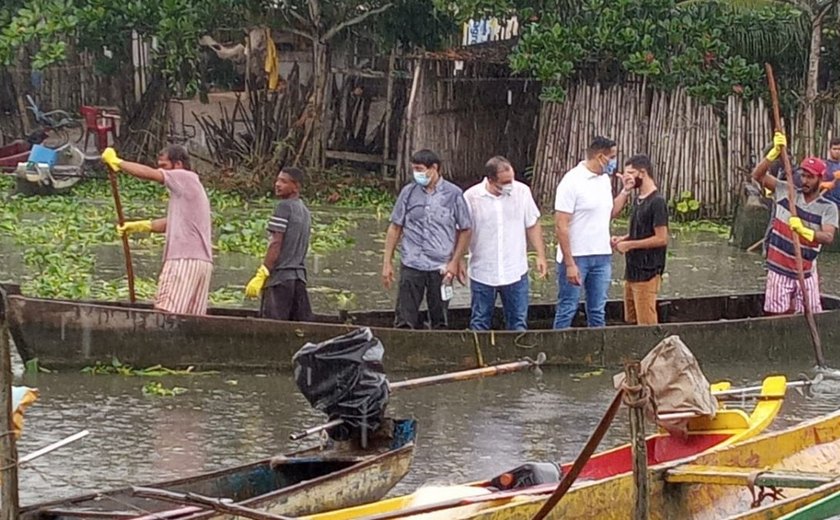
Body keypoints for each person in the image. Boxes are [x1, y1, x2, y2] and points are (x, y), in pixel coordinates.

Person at [101, 145, 213, 315]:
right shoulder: (189, 189)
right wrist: (139, 226)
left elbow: (150, 174)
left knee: (164, 314)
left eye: (164, 166)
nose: (161, 170)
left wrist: (118, 162)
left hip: (183, 260)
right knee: (189, 319)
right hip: (201, 263)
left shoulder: (185, 177)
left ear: (178, 165)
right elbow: (173, 223)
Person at [382, 149, 472, 329]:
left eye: (420, 169)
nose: (417, 174)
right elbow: (395, 227)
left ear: (434, 168)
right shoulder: (408, 192)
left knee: (440, 317)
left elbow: (465, 230)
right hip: (412, 262)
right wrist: (387, 262)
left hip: (441, 266)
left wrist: (456, 260)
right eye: (414, 169)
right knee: (404, 318)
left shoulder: (453, 194)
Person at [752, 132, 838, 315]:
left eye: (810, 177)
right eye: (804, 176)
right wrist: (772, 155)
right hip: (779, 270)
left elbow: (828, 237)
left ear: (820, 179)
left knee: (812, 315)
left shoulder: (827, 207)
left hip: (805, 273)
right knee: (777, 317)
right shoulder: (786, 191)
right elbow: (758, 176)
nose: (805, 181)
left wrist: (803, 231)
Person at [553, 136, 634, 329]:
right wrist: (570, 263)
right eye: (612, 157)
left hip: (601, 255)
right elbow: (561, 225)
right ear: (600, 157)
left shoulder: (604, 180)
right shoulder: (572, 181)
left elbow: (609, 213)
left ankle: (598, 352)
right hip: (577, 256)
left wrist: (625, 192)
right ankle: (557, 349)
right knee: (568, 307)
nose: (614, 162)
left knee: (597, 309)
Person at [463, 156, 548, 331]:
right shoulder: (471, 197)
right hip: (483, 271)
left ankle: (519, 356)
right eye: (505, 182)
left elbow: (532, 224)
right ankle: (480, 358)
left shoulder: (522, 192)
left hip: (515, 269)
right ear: (491, 180)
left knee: (518, 321)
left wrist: (541, 255)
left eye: (512, 179)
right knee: (480, 321)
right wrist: (457, 260)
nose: (511, 185)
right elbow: (463, 231)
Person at [244, 167, 313, 321]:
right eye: (277, 180)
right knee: (297, 327)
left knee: (272, 328)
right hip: (299, 280)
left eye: (283, 181)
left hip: (280, 279)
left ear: (296, 186)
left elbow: (276, 242)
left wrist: (263, 272)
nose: (277, 184)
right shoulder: (305, 211)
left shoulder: (283, 207)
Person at [610, 155, 669, 325]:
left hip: (647, 271)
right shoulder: (638, 199)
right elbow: (641, 232)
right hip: (632, 271)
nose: (626, 177)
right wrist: (623, 238)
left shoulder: (657, 202)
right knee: (631, 319)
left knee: (646, 322)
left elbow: (661, 238)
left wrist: (630, 245)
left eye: (630, 172)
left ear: (642, 173)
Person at [818, 137, 840, 205]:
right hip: (828, 203)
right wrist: (823, 185)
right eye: (834, 149)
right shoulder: (823, 165)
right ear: (830, 150)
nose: (837, 151)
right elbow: (811, 184)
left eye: (839, 149)